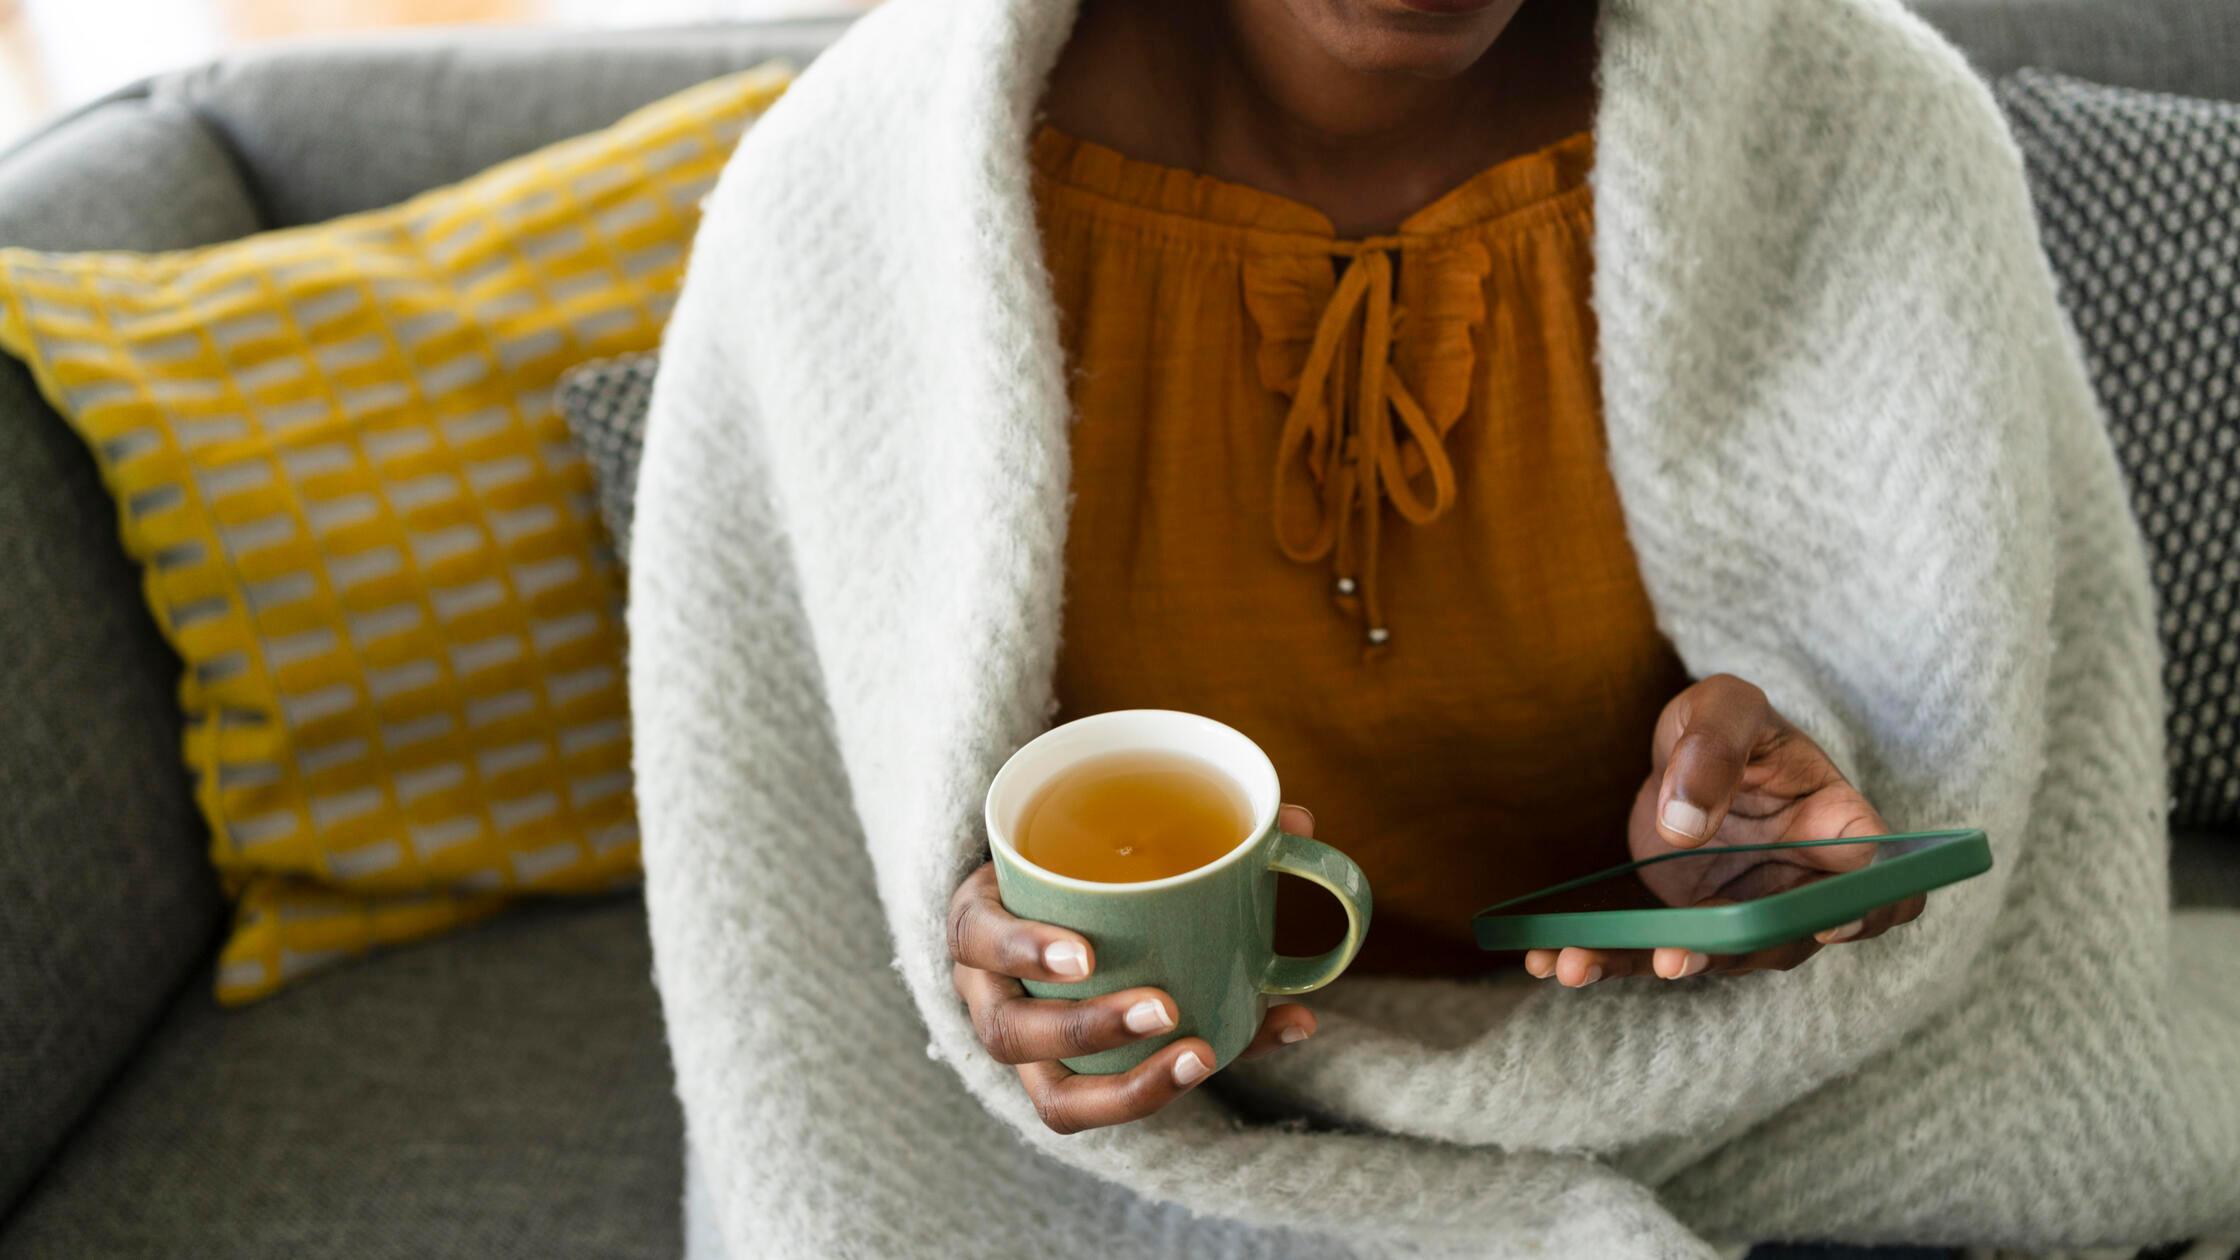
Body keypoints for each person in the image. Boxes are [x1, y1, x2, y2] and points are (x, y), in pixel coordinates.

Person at [942, 0, 1925, 1134]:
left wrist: (1815, 789)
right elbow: (822, 843)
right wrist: (979, 927)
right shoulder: (874, 186)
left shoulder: (1852, 126)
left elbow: (1958, 702)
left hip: (1716, 1104)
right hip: (1158, 1140)